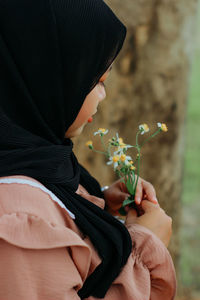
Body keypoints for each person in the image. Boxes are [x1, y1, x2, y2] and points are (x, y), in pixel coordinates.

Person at [0, 0, 176, 299]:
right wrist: (146, 247)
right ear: (41, 80)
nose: (102, 95)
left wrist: (97, 203)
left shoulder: (30, 155)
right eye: (96, 80)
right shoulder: (15, 226)